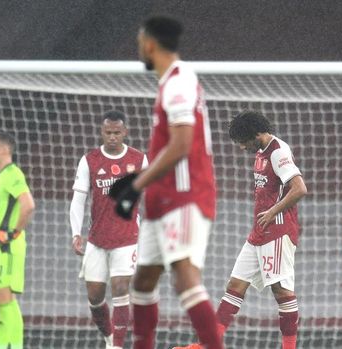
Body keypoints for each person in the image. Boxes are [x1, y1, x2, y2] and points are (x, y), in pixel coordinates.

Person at [109, 16, 222, 349]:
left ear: (149, 44)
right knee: (143, 282)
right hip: (163, 201)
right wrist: (141, 183)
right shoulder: (171, 82)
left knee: (184, 276)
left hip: (184, 197)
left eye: (139, 42)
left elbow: (182, 144)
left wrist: (137, 184)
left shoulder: (178, 82)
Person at [174, 110, 308, 349]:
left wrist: (273, 212)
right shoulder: (261, 152)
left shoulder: (278, 151)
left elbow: (299, 188)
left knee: (281, 291)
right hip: (259, 232)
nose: (241, 147)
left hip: (277, 231)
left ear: (255, 134)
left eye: (242, 141)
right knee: (235, 285)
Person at [70, 110, 148, 349]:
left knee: (121, 287)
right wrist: (75, 232)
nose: (112, 137)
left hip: (127, 238)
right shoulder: (90, 160)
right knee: (94, 297)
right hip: (97, 239)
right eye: (108, 132)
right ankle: (109, 337)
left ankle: (117, 346)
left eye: (117, 132)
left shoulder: (139, 159)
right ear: (102, 132)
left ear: (125, 132)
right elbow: (78, 199)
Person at [0, 132, 35, 349]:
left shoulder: (13, 174)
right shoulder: (2, 176)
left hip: (7, 249)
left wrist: (13, 233)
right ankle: (2, 345)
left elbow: (28, 205)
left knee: (5, 298)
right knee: (0, 299)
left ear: (5, 149)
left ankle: (14, 346)